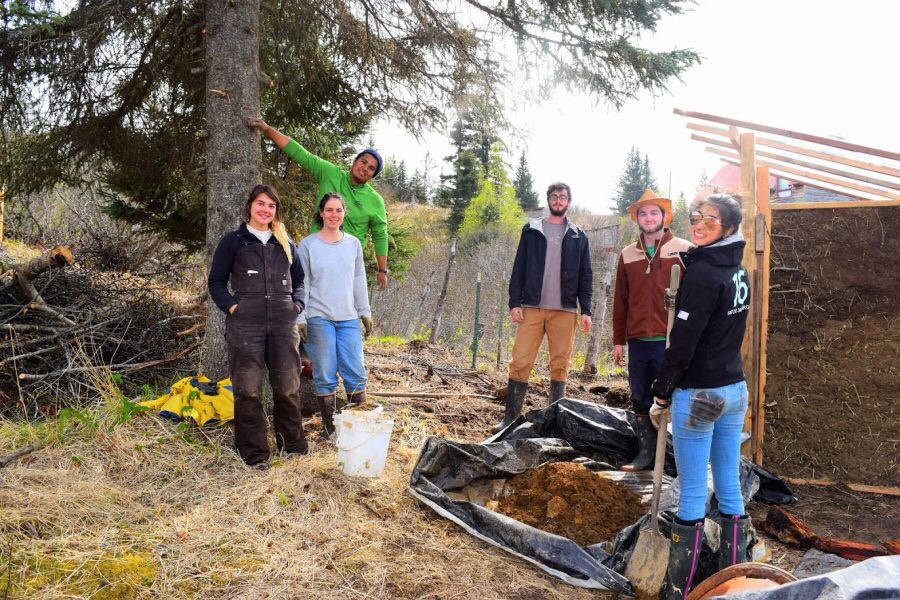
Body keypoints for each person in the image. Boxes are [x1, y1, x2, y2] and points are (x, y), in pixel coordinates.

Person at [647, 194, 751, 600]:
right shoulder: (736, 270)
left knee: (692, 489)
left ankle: (680, 592)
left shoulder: (705, 274)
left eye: (712, 219)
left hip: (702, 394)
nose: (700, 223)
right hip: (734, 391)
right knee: (728, 484)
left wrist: (661, 393)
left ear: (728, 228)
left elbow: (683, 344)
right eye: (697, 216)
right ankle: (734, 584)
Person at [208, 185, 307, 469]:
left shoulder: (285, 241)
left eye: (271, 205)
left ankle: (293, 448)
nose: (265, 209)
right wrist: (232, 306)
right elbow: (215, 282)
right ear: (250, 206)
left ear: (276, 210)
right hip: (245, 326)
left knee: (288, 386)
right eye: (260, 204)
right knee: (248, 390)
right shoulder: (233, 241)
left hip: (282, 323)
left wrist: (296, 305)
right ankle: (254, 455)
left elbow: (299, 280)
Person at [494, 182, 593, 433]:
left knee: (560, 363)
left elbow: (586, 275)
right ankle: (510, 419)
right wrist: (514, 302)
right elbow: (519, 267)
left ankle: (554, 423)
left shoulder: (578, 236)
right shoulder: (531, 230)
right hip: (532, 307)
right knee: (520, 360)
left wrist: (587, 310)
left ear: (569, 201)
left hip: (566, 310)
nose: (558, 200)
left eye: (562, 197)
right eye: (554, 196)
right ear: (548, 200)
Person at [247, 118, 389, 289]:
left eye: (371, 168)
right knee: (299, 295)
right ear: (355, 161)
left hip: (346, 260)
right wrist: (267, 129)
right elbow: (300, 154)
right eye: (363, 161)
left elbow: (380, 235)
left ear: (372, 175)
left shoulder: (375, 200)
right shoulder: (330, 173)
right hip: (314, 251)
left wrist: (383, 269)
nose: (365, 167)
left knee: (337, 305)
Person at [612, 189, 692, 471]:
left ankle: (679, 460)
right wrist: (619, 340)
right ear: (637, 218)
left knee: (674, 397)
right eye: (643, 213)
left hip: (671, 340)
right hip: (639, 340)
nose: (648, 218)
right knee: (640, 397)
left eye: (654, 213)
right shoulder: (628, 254)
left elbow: (696, 296)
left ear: (664, 216)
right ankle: (646, 456)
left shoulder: (684, 250)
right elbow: (621, 299)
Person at [296, 193, 373, 438]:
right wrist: (301, 316)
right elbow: (302, 282)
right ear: (321, 213)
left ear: (344, 213)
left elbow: (359, 278)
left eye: (338, 210)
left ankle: (358, 428)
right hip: (319, 316)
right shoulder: (308, 245)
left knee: (355, 371)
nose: (334, 215)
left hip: (348, 317)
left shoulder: (352, 244)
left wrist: (364, 311)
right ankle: (331, 429)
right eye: (329, 210)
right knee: (325, 373)